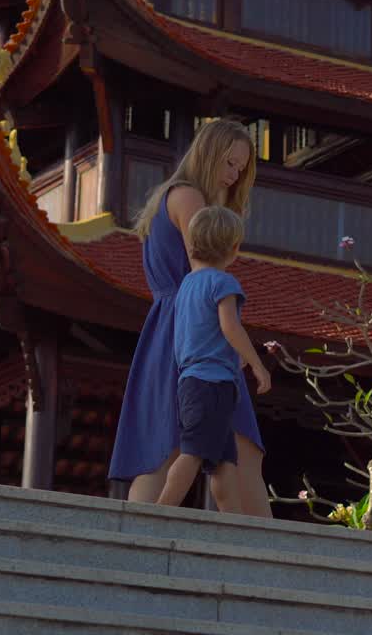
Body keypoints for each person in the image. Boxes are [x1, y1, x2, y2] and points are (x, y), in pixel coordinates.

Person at [108, 118, 272, 516]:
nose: (233, 176)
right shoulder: (188, 198)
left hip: (176, 324)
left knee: (173, 444)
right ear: (208, 153)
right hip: (193, 327)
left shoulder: (174, 195)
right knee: (219, 446)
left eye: (240, 168)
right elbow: (205, 267)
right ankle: (263, 553)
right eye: (228, 163)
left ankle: (137, 538)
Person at [158, 205, 271, 508]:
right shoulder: (224, 283)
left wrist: (234, 358)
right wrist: (258, 364)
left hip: (191, 381)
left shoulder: (185, 286)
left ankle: (231, 523)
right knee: (193, 452)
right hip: (214, 384)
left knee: (224, 461)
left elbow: (196, 332)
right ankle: (158, 512)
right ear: (234, 249)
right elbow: (229, 326)